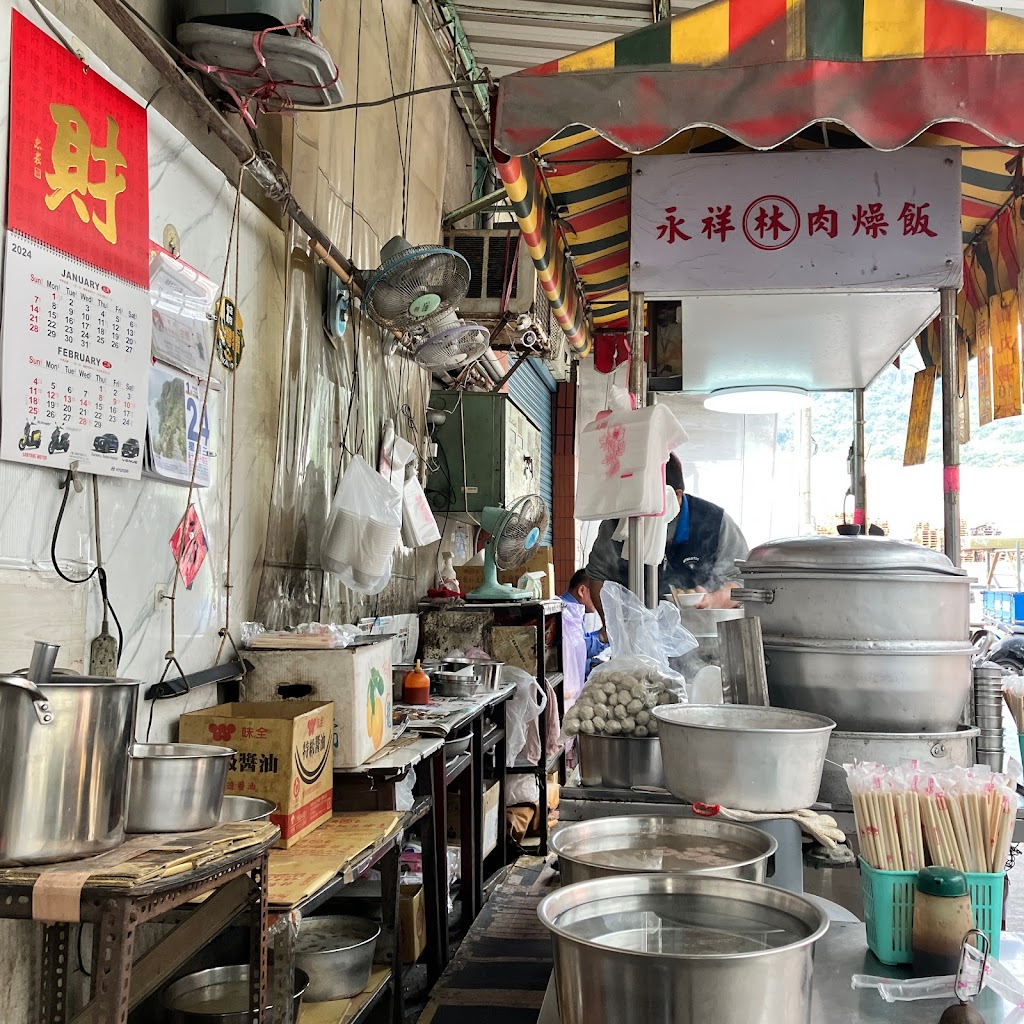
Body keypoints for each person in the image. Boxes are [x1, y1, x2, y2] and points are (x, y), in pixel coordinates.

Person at [585, 454, 749, 621]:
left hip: (700, 632)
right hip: (637, 632)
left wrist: (714, 600)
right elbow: (599, 575)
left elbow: (741, 579)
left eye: (654, 502)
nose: (647, 512)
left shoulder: (714, 521)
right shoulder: (618, 523)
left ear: (677, 495)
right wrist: (610, 624)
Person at [561, 569, 609, 678]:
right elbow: (575, 651)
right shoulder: (567, 611)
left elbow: (580, 640)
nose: (600, 600)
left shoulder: (574, 610)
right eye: (597, 594)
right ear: (582, 590)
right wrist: (601, 637)